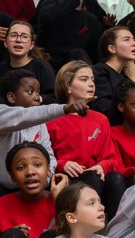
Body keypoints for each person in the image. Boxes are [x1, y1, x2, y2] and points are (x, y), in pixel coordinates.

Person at [0, 70, 78, 201]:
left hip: (27, 188)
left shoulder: (40, 124)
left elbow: (49, 155)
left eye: (38, 92)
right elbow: (23, 116)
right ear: (11, 97)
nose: (37, 97)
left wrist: (46, 180)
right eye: (30, 92)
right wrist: (64, 108)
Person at [46, 61, 124, 197]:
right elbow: (43, 158)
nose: (91, 84)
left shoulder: (101, 119)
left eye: (92, 80)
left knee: (116, 179)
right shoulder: (52, 120)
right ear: (67, 86)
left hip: (96, 176)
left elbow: (111, 158)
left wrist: (102, 166)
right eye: (84, 79)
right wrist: (62, 164)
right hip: (67, 178)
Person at [36, 0, 112, 68]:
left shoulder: (91, 19)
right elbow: (47, 18)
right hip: (49, 62)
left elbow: (96, 51)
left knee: (78, 53)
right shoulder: (50, 3)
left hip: (79, 65)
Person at [0, 21, 57, 105]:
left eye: (24, 36)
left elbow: (54, 99)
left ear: (31, 45)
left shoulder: (42, 67)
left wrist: (33, 98)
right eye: (13, 35)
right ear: (5, 43)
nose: (18, 40)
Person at [90, 27, 135, 125]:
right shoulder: (99, 70)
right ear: (112, 48)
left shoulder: (125, 77)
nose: (134, 43)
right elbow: (101, 105)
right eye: (127, 39)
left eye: (134, 40)